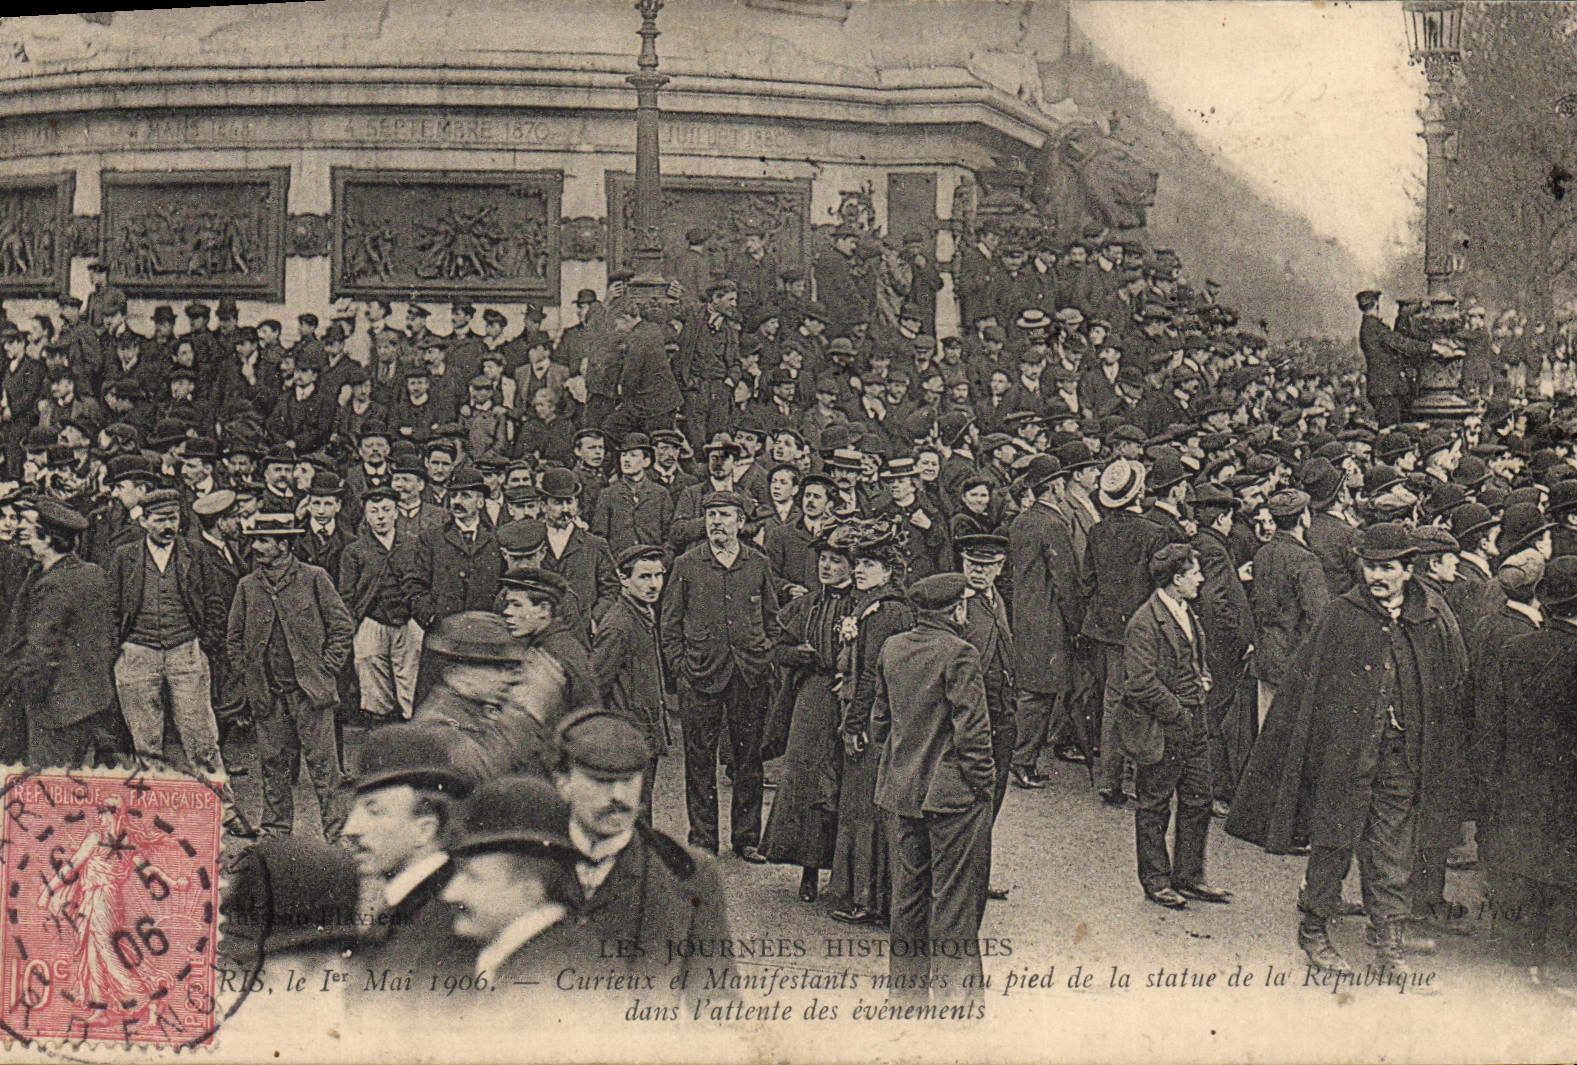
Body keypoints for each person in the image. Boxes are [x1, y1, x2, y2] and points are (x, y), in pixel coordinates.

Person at [1228, 523, 1470, 976]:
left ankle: (1388, 946)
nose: (1378, 576)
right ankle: (1314, 930)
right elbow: (1308, 690)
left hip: (1400, 759)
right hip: (1345, 760)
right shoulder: (1342, 615)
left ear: (1407, 570)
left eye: (1388, 568)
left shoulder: (1427, 617)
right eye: (1371, 567)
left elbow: (1444, 689)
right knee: (1333, 846)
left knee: (1392, 854)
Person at [871, 572, 995, 1006]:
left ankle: (905, 998)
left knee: (908, 898)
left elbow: (880, 720)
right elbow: (973, 734)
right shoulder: (961, 654)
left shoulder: (892, 648)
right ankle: (956, 1004)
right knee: (955, 902)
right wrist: (984, 786)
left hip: (902, 791)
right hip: (952, 797)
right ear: (957, 609)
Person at [106, 487, 254, 837]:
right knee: (146, 743)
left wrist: (206, 643)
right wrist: (119, 649)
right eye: (159, 519)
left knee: (201, 739)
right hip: (137, 654)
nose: (167, 525)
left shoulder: (196, 554)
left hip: (185, 650)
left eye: (172, 518)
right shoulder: (124, 557)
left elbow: (214, 602)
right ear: (144, 522)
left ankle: (224, 810)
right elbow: (111, 608)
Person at [552, 708, 731, 994]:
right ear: (563, 784)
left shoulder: (688, 874)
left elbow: (719, 1007)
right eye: (602, 782)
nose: (618, 798)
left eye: (629, 780)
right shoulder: (526, 864)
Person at [660, 491, 781, 861]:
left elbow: (773, 619)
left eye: (725, 515)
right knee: (699, 761)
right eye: (711, 515)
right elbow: (670, 623)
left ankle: (746, 837)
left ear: (740, 523)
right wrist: (682, 667)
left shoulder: (757, 564)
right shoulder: (687, 564)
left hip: (748, 675)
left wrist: (765, 656)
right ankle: (703, 840)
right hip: (699, 676)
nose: (717, 522)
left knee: (748, 758)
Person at [228, 512, 356, 839]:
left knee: (325, 771)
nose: (256, 547)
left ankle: (339, 837)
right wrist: (249, 676)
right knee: (274, 769)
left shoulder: (314, 578)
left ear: (283, 545)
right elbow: (234, 638)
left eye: (264, 540)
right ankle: (275, 836)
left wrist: (326, 666)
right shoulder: (247, 586)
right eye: (255, 540)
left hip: (310, 694)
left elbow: (342, 626)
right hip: (269, 696)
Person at [1118, 543, 1230, 909]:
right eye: (1194, 573)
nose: (1200, 578)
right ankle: (1156, 881)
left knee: (1199, 799)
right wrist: (1179, 711)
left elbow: (1197, 657)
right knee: (1154, 805)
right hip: (1164, 728)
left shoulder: (1185, 612)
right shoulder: (1144, 623)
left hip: (1194, 724)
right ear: (1177, 579)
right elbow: (1140, 683)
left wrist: (1204, 677)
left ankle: (1190, 875)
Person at [1490, 557, 1577, 992]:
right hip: (1570, 781)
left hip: (1524, 776)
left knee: (1530, 864)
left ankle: (1529, 956)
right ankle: (1564, 965)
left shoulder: (1515, 649)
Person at [760, 529, 858, 901]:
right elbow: (777, 645)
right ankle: (809, 869)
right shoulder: (810, 603)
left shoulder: (863, 604)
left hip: (848, 700)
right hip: (814, 699)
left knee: (847, 784)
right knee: (809, 781)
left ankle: (846, 874)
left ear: (852, 565)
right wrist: (800, 655)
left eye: (836, 560)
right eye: (823, 559)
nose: (827, 567)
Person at [827, 520, 912, 925]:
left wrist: (855, 724)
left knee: (868, 810)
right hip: (865, 715)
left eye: (872, 564)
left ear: (890, 571)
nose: (860, 570)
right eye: (859, 562)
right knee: (861, 807)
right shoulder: (866, 605)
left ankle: (871, 899)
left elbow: (872, 677)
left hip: (875, 722)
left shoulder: (887, 610)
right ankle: (863, 894)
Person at [342, 723, 474, 980]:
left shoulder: (442, 930)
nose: (350, 828)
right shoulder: (413, 905)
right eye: (354, 810)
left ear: (424, 830)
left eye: (374, 810)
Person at [438, 775, 590, 993]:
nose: (450, 894)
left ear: (529, 891)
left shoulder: (547, 984)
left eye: (472, 877)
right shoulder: (532, 960)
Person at [1080, 459, 1170, 805]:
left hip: (1108, 629)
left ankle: (1109, 777)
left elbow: (1088, 581)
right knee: (1145, 697)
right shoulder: (1154, 532)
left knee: (1113, 699)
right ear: (1140, 493)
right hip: (1144, 629)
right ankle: (1137, 774)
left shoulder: (1098, 531)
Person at [3, 499, 117, 766]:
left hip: (56, 711)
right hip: (93, 701)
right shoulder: (93, 574)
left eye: (28, 527)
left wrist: (24, 696)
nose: (21, 532)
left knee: (50, 789)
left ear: (47, 538)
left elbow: (40, 654)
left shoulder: (53, 585)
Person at [1007, 454, 1080, 788]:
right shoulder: (1053, 523)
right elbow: (1065, 580)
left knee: (1031, 692)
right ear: (1054, 486)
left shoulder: (1022, 521)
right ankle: (1022, 761)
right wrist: (1076, 623)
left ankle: (1022, 757)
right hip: (1048, 618)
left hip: (1024, 614)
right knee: (1039, 695)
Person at [589, 545, 669, 813]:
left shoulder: (642, 614)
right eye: (644, 577)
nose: (654, 584)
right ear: (624, 579)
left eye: (658, 575)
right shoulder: (619, 625)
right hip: (628, 734)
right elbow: (596, 684)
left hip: (644, 732)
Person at [339, 486, 421, 722]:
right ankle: (380, 727)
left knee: (411, 678)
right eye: (374, 511)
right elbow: (347, 594)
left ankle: (411, 729)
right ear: (366, 515)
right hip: (371, 620)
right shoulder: (354, 551)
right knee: (371, 672)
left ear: (397, 513)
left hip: (407, 621)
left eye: (386, 510)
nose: (381, 516)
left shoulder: (413, 545)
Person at [1249, 488, 1330, 728]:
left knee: (1268, 728)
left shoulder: (1262, 554)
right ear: (1304, 517)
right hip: (1295, 658)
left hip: (1266, 656)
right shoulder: (1304, 559)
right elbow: (1320, 615)